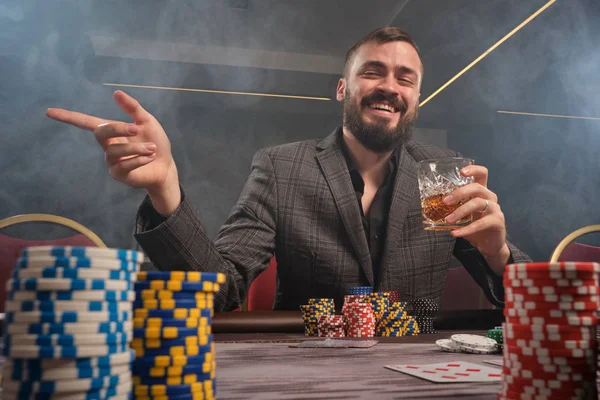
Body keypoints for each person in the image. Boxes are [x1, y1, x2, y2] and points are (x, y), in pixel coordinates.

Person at [47, 27, 530, 312]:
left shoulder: (444, 176)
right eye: (372, 72)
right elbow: (222, 289)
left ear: (416, 99)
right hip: (307, 375)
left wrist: (497, 253)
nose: (390, 86)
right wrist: (166, 191)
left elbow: (524, 302)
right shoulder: (281, 167)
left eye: (406, 79)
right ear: (343, 89)